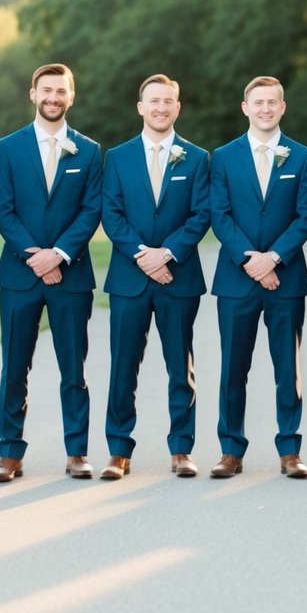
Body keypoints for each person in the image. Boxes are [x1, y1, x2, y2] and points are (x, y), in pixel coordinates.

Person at [0, 63, 102, 482]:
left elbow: (92, 210)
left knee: (74, 367)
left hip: (71, 277)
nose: (53, 97)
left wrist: (58, 255)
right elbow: (3, 208)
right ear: (33, 94)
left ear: (71, 97)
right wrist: (33, 256)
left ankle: (77, 452)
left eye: (61, 91)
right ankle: (10, 454)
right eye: (47, 90)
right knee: (14, 367)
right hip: (19, 276)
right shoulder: (10, 146)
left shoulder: (89, 150)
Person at [99, 74, 210, 479]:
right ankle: (118, 450)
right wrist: (142, 255)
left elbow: (201, 214)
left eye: (168, 101)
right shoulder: (118, 157)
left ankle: (182, 449)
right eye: (153, 101)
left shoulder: (197, 158)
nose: (161, 107)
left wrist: (169, 254)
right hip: (130, 278)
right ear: (140, 107)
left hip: (178, 279)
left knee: (181, 366)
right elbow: (111, 213)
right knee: (123, 366)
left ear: (177, 108)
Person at [208, 76, 307, 479]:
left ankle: (290, 450)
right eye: (259, 102)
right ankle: (230, 449)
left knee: (288, 367)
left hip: (286, 279)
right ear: (245, 107)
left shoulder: (303, 157)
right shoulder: (223, 157)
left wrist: (274, 259)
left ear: (283, 107)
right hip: (236, 280)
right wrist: (250, 260)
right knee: (234, 366)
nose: (266, 108)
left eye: (273, 102)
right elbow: (220, 214)